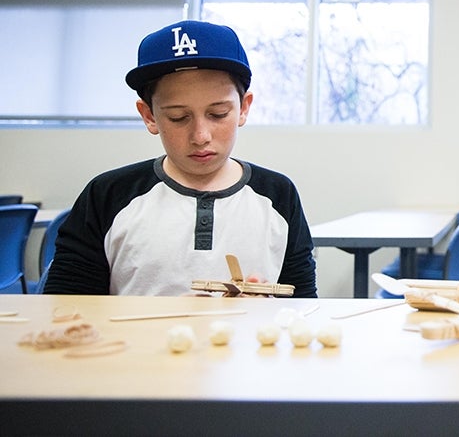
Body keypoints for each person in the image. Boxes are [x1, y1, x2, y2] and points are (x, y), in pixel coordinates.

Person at [44, 20, 317, 297]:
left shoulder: (278, 195)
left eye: (218, 114)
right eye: (178, 117)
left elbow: (304, 310)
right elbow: (63, 309)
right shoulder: (108, 195)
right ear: (149, 116)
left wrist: (267, 316)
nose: (200, 136)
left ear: (244, 108)